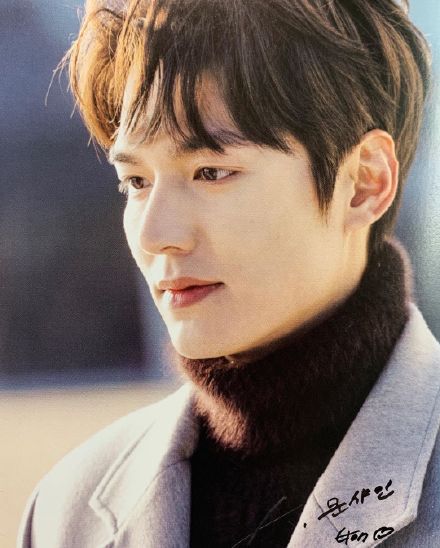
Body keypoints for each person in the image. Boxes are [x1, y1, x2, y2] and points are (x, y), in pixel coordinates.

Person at [18, 0, 440, 546]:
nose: (155, 234)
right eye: (136, 182)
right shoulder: (67, 513)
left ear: (364, 183)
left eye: (210, 172)